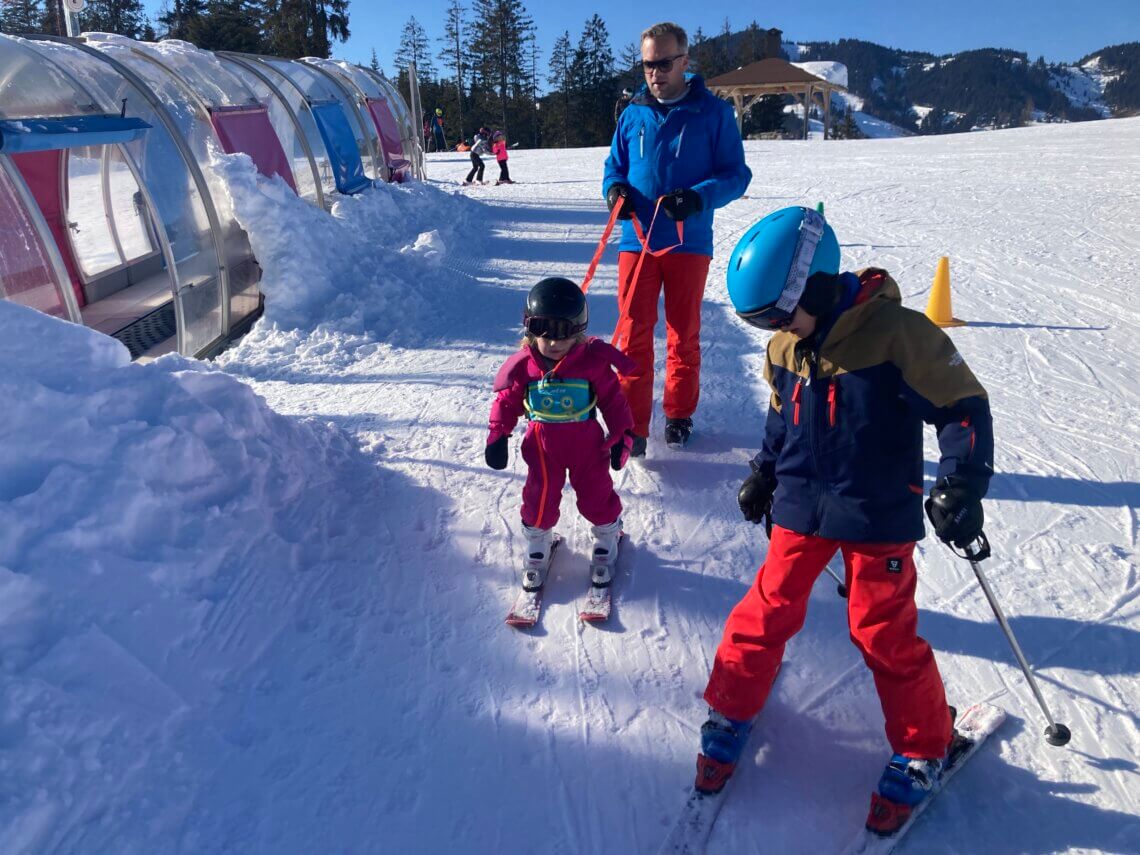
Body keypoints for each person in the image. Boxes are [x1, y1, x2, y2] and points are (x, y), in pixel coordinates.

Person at [695, 206, 994, 836]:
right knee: (765, 608)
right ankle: (729, 712)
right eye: (763, 324)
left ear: (816, 286)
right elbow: (781, 419)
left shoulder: (897, 335)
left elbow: (961, 407)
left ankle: (922, 746)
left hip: (875, 509)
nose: (774, 331)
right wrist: (765, 470)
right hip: (803, 503)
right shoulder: (785, 346)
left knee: (881, 630)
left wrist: (962, 482)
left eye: (778, 316)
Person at [602, 21, 751, 456]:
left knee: (682, 332)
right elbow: (614, 167)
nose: (655, 73)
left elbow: (736, 176)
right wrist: (615, 191)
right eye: (648, 64)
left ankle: (680, 413)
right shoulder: (633, 113)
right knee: (632, 333)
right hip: (637, 241)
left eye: (664, 63)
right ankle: (632, 425)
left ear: (684, 62)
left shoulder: (714, 113)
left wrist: (699, 198)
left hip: (688, 243)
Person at [485, 277, 636, 590]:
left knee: (596, 496)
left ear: (578, 332)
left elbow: (612, 399)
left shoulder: (592, 364)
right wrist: (498, 435)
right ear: (530, 329)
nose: (553, 344)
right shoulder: (524, 367)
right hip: (541, 449)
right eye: (544, 333)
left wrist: (622, 434)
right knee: (538, 499)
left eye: (563, 335)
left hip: (587, 447)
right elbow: (507, 400)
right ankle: (539, 542)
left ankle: (608, 535)